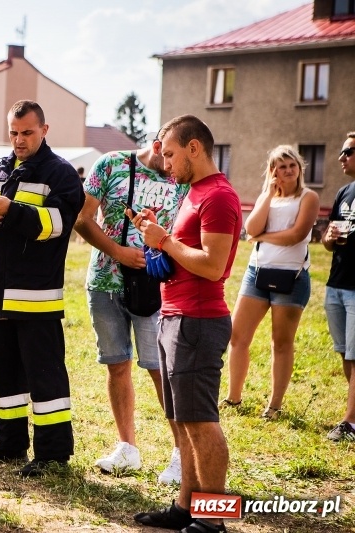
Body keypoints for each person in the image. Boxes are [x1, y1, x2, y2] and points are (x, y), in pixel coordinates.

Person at [0, 100, 84, 477]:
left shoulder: (60, 173)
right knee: (3, 373)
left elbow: (57, 224)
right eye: (13, 132)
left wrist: (11, 210)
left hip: (36, 298)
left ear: (44, 130)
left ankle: (53, 454)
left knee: (45, 377)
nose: (19, 140)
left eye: (27, 132)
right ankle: (9, 445)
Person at [132, 115, 241, 533]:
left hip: (198, 321)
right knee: (182, 419)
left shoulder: (219, 197)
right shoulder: (194, 192)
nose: (166, 165)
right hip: (174, 317)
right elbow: (181, 252)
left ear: (194, 148)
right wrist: (156, 234)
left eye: (171, 155)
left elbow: (213, 266)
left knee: (200, 421)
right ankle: (185, 508)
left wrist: (164, 240)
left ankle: (213, 520)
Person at [73, 137, 187, 482]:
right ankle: (127, 448)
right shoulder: (110, 164)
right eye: (168, 156)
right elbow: (82, 218)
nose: (172, 166)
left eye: (177, 158)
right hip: (105, 282)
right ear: (158, 146)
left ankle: (183, 454)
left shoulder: (182, 177)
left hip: (154, 286)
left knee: (161, 368)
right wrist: (118, 252)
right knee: (117, 364)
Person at [222, 146, 319, 419]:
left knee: (281, 342)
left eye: (292, 165)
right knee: (237, 336)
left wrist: (263, 237)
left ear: (299, 167)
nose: (288, 170)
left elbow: (296, 235)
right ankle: (233, 398)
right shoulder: (269, 197)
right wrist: (268, 193)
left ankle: (274, 406)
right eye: (281, 166)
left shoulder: (309, 197)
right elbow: (250, 229)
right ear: (273, 170)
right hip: (257, 273)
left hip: (292, 276)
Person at [323, 132, 355, 442]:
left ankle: (350, 422)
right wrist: (329, 237)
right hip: (336, 284)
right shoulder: (344, 192)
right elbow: (327, 241)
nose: (341, 157)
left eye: (348, 151)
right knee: (345, 353)